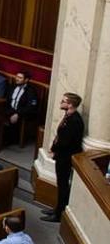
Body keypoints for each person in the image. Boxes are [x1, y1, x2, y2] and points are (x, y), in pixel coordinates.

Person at [44, 91, 86, 223]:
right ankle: (57, 208)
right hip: (62, 155)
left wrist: (55, 150)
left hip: (66, 157)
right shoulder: (68, 116)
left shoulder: (74, 120)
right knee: (60, 184)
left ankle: (58, 214)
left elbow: (66, 141)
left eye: (63, 101)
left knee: (63, 185)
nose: (60, 103)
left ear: (70, 104)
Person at [3, 71, 40, 147]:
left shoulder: (31, 91)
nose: (17, 79)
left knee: (13, 120)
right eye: (17, 77)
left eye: (20, 78)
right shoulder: (12, 87)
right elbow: (6, 100)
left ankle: (9, 140)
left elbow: (31, 107)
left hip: (23, 113)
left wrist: (18, 113)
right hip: (10, 110)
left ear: (26, 80)